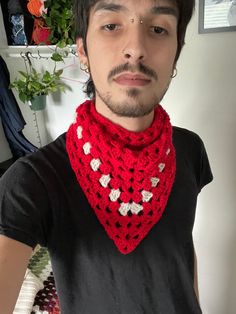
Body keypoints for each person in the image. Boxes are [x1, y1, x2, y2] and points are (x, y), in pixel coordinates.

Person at [0, 0, 213, 313]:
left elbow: (181, 251)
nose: (135, 48)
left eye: (158, 29)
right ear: (83, 50)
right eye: (111, 25)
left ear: (176, 53)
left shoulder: (190, 149)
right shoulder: (34, 181)